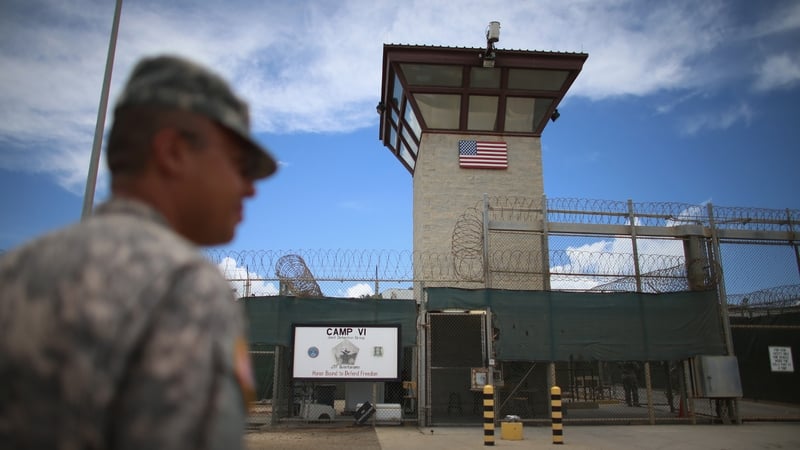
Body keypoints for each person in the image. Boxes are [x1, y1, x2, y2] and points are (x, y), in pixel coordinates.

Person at [0, 55, 277, 449]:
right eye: (239, 163)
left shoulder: (13, 272)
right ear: (174, 151)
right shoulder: (184, 285)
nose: (250, 188)